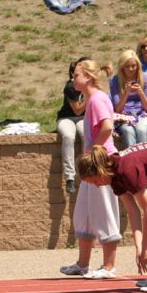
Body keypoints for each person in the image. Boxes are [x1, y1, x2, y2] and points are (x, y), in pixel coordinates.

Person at [78, 137, 147, 279]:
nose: (97, 186)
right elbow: (133, 212)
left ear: (101, 171)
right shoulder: (114, 177)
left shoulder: (127, 170)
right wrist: (138, 247)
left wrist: (146, 249)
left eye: (95, 181)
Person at [59, 59, 121, 279]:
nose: (73, 79)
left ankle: (109, 265)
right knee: (83, 213)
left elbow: (107, 126)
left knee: (104, 211)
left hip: (100, 163)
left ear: (88, 77)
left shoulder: (97, 99)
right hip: (91, 164)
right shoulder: (91, 99)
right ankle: (82, 263)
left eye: (76, 75)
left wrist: (94, 150)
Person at [110, 50, 147, 148]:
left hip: (142, 113)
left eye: (133, 66)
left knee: (141, 130)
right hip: (124, 114)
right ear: (122, 67)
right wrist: (126, 92)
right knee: (128, 131)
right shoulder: (115, 81)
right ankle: (132, 161)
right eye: (127, 66)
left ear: (138, 66)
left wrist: (140, 92)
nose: (131, 69)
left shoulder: (145, 79)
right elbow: (118, 109)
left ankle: (143, 158)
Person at [56, 59, 87, 194]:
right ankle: (69, 177)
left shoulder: (90, 86)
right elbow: (77, 110)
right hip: (67, 118)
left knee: (86, 134)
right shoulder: (70, 87)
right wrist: (90, 96)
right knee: (68, 136)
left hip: (83, 119)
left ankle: (88, 170)